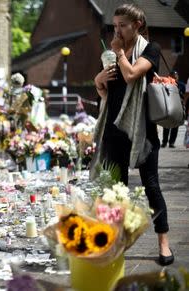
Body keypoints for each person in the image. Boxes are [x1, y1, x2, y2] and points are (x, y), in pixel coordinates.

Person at [92, 4, 173, 266]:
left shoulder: (151, 49)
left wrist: (118, 53)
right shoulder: (111, 52)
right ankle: (118, 242)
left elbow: (131, 75)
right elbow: (104, 90)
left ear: (137, 25)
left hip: (143, 130)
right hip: (113, 130)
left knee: (151, 186)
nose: (118, 31)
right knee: (116, 190)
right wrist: (99, 78)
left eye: (123, 26)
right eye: (115, 26)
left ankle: (164, 243)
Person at [161, 70, 186, 148]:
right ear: (169, 76)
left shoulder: (181, 85)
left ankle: (172, 142)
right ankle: (164, 142)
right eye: (173, 76)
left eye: (176, 76)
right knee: (166, 124)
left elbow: (184, 96)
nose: (175, 78)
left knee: (175, 125)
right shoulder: (166, 84)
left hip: (178, 106)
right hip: (169, 106)